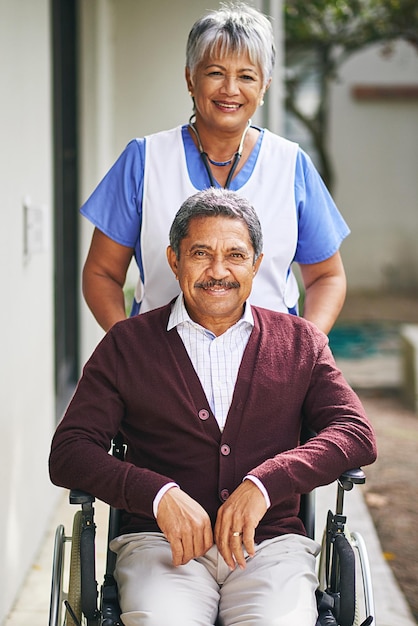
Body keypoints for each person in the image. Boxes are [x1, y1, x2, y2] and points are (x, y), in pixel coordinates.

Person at [50, 188, 376, 626]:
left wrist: (264, 484)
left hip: (270, 548)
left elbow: (354, 432)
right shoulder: (126, 345)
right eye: (201, 253)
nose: (218, 271)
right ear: (174, 260)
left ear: (257, 265)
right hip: (160, 543)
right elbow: (70, 451)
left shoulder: (300, 343)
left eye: (236, 256)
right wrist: (158, 495)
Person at [80, 2, 349, 335]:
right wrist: (130, 351)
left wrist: (303, 352)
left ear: (264, 86)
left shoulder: (290, 164)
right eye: (215, 73)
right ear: (190, 79)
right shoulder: (144, 160)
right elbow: (101, 273)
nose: (230, 89)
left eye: (246, 76)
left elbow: (328, 277)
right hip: (164, 371)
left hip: (269, 370)